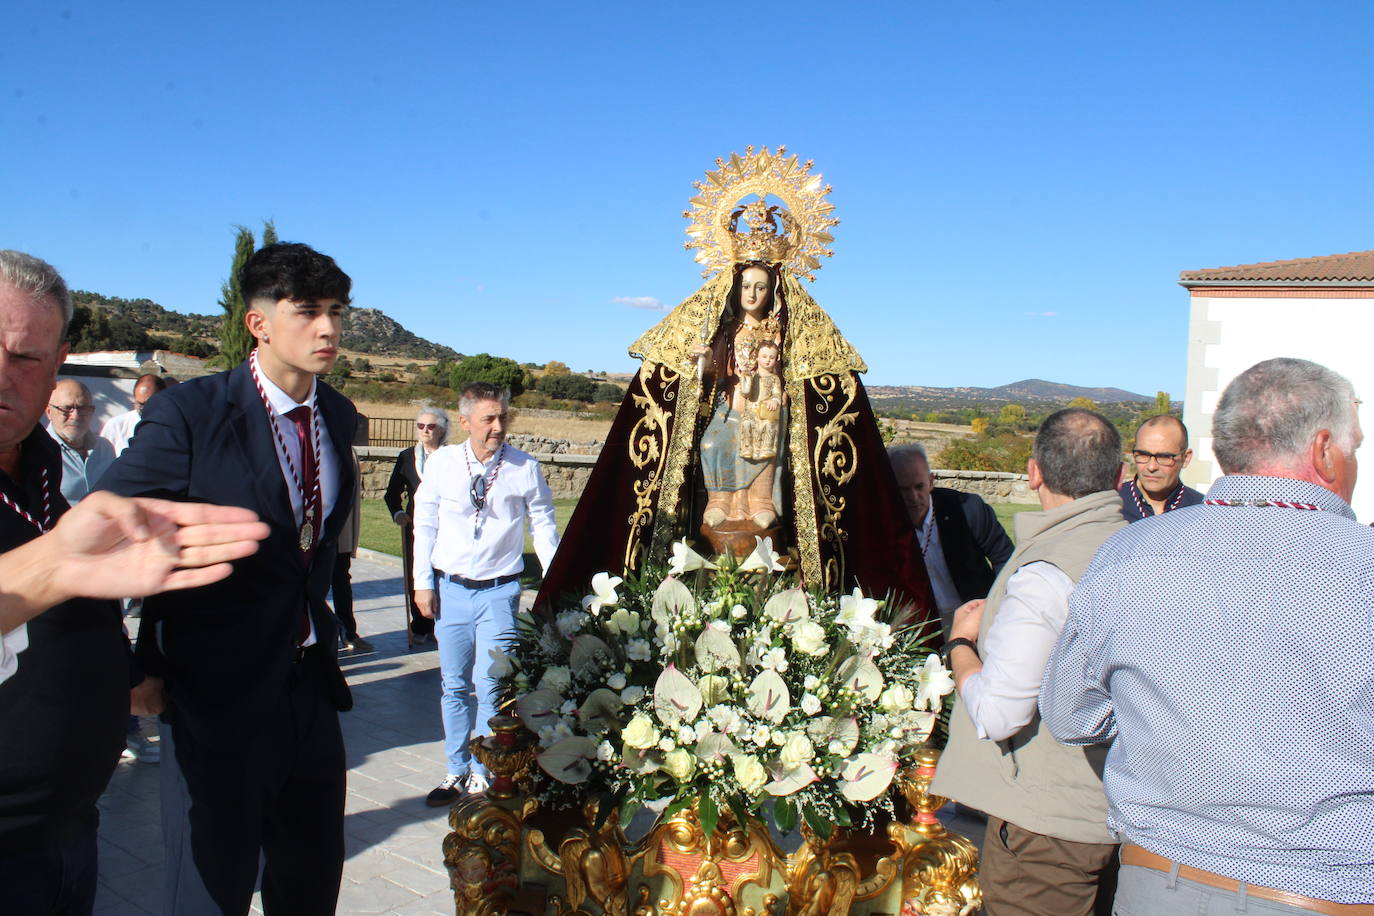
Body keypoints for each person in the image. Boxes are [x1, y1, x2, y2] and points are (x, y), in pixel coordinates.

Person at [1042, 357, 1374, 913]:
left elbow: (1069, 715)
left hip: (1158, 884)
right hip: (1328, 890)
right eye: (1354, 447)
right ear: (1322, 451)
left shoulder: (1132, 551)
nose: (1355, 461)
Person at [0, 249, 268, 916]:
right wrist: (56, 561)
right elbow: (58, 570)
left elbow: (78, 599)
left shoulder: (42, 470)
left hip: (68, 830)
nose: (3, 376)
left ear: (59, 360)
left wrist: (129, 676)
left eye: (25, 357)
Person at [99, 242, 360, 915]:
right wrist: (133, 662)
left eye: (336, 311)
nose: (328, 328)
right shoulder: (191, 416)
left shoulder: (334, 416)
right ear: (259, 323)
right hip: (216, 700)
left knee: (309, 887)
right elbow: (99, 537)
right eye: (307, 312)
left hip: (309, 692)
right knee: (209, 892)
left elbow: (316, 550)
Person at [930, 408, 1126, 916]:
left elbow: (999, 712)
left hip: (1047, 832)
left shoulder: (1047, 571)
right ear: (1120, 476)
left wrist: (962, 648)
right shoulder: (1139, 549)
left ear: (1034, 471)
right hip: (1119, 813)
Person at [412, 383, 559, 806]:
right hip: (451, 589)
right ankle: (455, 768)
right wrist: (423, 582)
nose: (498, 427)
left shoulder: (523, 467)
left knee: (492, 685)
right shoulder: (442, 463)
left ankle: (483, 769)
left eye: (503, 418)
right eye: (488, 419)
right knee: (453, 684)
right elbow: (425, 525)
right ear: (464, 422)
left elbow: (544, 526)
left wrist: (555, 579)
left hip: (499, 591)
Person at [888, 443, 1013, 639]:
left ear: (931, 482)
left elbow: (1006, 560)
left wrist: (994, 605)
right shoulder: (882, 526)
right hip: (916, 628)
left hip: (976, 617)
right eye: (903, 490)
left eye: (919, 486)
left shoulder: (969, 510)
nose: (913, 497)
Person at [384, 407, 446, 647]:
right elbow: (392, 493)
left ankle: (442, 625)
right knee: (417, 573)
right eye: (420, 426)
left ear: (441, 429)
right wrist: (398, 512)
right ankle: (420, 625)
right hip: (416, 525)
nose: (425, 430)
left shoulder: (452, 456)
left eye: (430, 426)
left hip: (447, 526)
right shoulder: (407, 456)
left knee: (444, 574)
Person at [1117, 414, 1203, 521]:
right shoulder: (1111, 505)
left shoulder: (1203, 512)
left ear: (1185, 458)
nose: (1151, 467)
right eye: (1143, 455)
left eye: (1164, 457)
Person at [331, 431, 372, 653]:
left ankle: (348, 633)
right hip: (311, 532)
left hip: (338, 531)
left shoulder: (348, 451)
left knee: (341, 581)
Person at [44, 379, 115, 505]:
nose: (75, 416)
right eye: (67, 408)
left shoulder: (105, 449)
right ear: (49, 412)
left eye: (83, 408)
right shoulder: (38, 451)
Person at [99, 373, 166, 456]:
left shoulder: (174, 425)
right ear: (134, 400)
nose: (145, 409)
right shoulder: (116, 425)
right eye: (141, 404)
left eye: (150, 403)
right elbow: (102, 459)